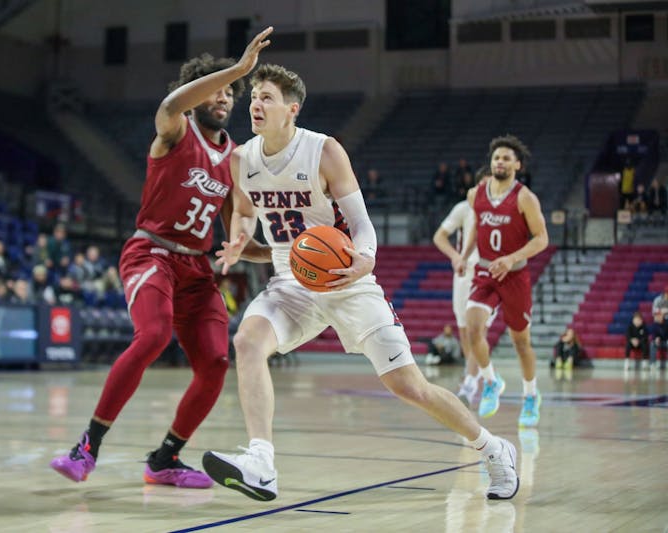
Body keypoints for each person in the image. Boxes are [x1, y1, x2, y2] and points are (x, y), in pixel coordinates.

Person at [203, 63, 519, 502]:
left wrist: (363, 261)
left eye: (267, 97)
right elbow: (243, 212)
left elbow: (363, 226)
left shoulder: (323, 151)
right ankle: (262, 462)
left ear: (291, 109)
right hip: (290, 281)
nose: (255, 103)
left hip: (345, 279)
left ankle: (492, 448)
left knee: (409, 387)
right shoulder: (242, 159)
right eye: (254, 96)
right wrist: (239, 237)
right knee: (248, 342)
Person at [50, 28, 274, 489]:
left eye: (231, 92)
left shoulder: (234, 159)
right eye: (217, 89)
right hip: (150, 252)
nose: (226, 97)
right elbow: (172, 104)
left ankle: (165, 458)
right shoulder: (175, 127)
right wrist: (236, 69)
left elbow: (236, 239)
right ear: (198, 96)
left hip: (196, 269)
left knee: (214, 364)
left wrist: (281, 251)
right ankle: (87, 445)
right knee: (152, 334)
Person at [457, 134, 548, 428]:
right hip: (484, 272)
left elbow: (542, 239)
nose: (500, 161)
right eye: (497, 157)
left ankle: (531, 395)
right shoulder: (477, 193)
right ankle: (491, 382)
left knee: (521, 342)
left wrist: (511, 259)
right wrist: (464, 254)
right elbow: (476, 229)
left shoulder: (525, 198)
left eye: (506, 158)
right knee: (473, 330)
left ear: (517, 165)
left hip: (515, 274)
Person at [433, 166, 493, 405]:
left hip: (488, 275)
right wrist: (455, 256)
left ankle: (470, 382)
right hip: (463, 274)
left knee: (478, 330)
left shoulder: (502, 212)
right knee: (465, 332)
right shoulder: (463, 208)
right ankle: (475, 376)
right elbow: (439, 236)